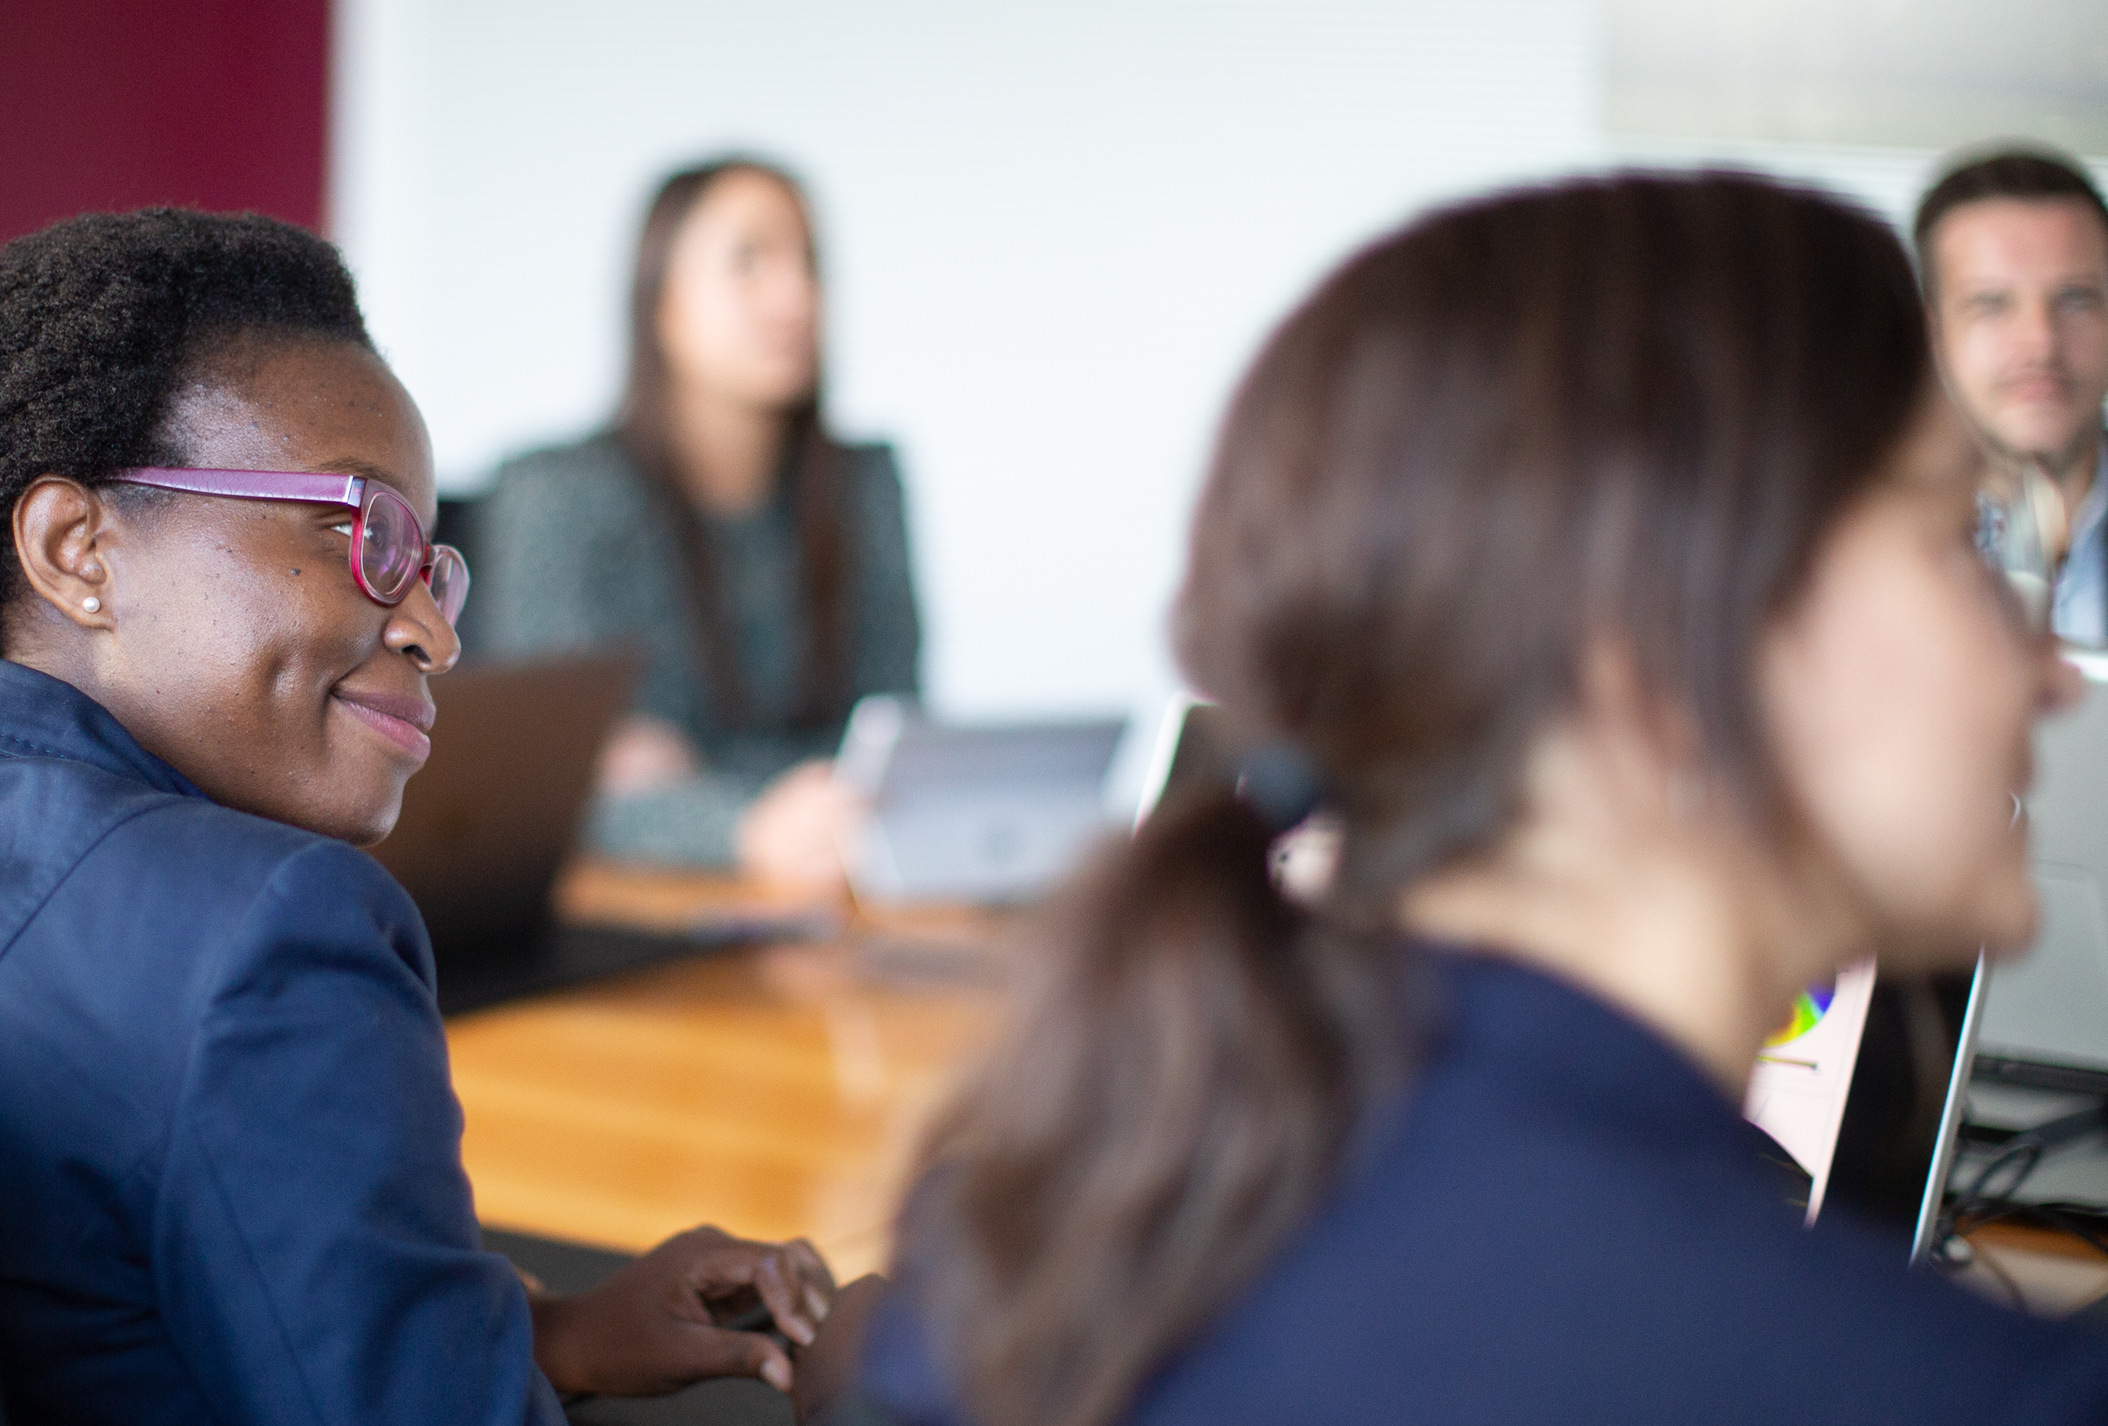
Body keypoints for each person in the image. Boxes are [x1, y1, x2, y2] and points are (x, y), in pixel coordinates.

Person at [854, 173, 2108, 1425]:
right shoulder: (1939, 1389)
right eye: (1964, 542)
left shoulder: (1030, 1246)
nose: (2050, 671)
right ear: (1669, 657)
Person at [0, 208, 869, 1424]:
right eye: (363, 532)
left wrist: (540, 1332)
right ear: (77, 546)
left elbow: (75, 1289)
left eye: (431, 563)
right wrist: (870, 1385)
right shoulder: (276, 936)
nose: (434, 629)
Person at [480, 159, 920, 894]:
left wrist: (687, 777)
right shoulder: (559, 492)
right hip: (636, 906)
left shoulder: (861, 486)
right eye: (748, 262)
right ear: (663, 304)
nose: (795, 296)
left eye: (807, 262)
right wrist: (741, 824)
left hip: (831, 892)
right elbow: (553, 783)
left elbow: (888, 743)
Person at [1918, 147, 2108, 645]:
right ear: (1931, 332)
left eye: (2074, 299)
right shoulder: (1854, 546)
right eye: (1992, 304)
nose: (2041, 342)